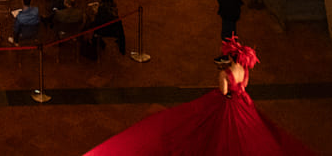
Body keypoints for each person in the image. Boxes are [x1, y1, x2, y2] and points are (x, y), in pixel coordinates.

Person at [82, 36, 313, 155]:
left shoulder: (225, 73)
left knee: (208, 132)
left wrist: (224, 84)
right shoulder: (245, 70)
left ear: (230, 57)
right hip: (243, 102)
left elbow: (223, 92)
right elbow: (244, 86)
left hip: (227, 105)